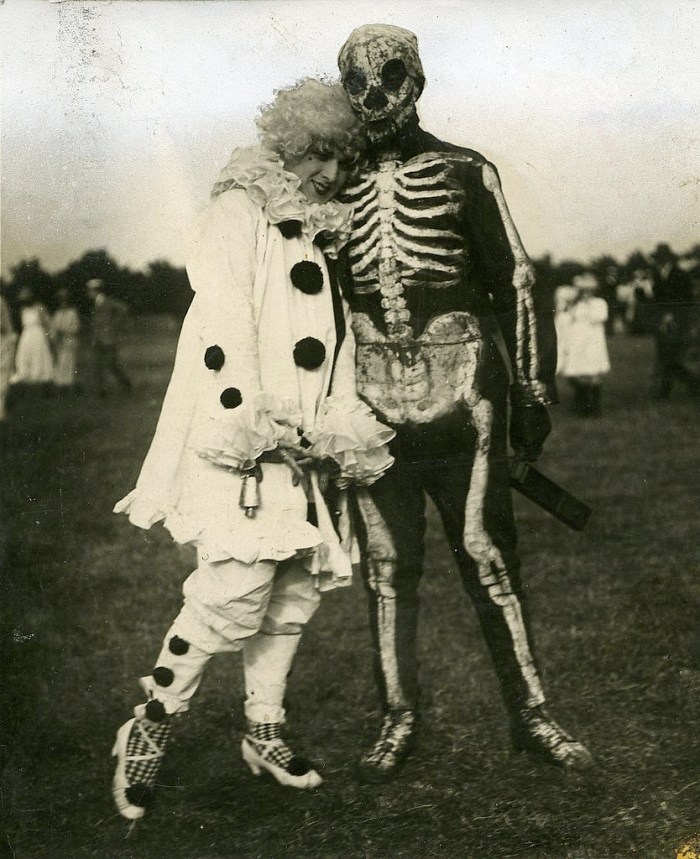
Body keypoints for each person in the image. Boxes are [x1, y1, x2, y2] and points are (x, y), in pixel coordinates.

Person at [110, 78, 395, 821]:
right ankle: (150, 725)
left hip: (305, 451)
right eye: (322, 155)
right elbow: (222, 325)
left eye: (345, 160)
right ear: (293, 143)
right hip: (245, 443)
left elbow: (328, 348)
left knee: (295, 592)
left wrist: (335, 423)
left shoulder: (317, 233)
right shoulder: (237, 210)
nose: (332, 174)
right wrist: (249, 420)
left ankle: (264, 730)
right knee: (233, 594)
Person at [336, 24, 593, 781]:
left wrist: (532, 390)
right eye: (356, 84)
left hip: (464, 405)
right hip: (371, 412)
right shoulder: (331, 184)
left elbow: (514, 279)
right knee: (387, 568)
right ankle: (398, 716)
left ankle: (533, 712)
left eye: (388, 79)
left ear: (416, 83)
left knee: (487, 557)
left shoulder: (462, 169)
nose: (373, 99)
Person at [556, 273, 610, 417]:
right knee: (578, 373)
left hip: (593, 341)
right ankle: (583, 404)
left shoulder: (599, 303)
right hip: (577, 341)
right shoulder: (575, 305)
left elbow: (600, 317)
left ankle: (594, 408)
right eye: (583, 290)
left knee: (593, 374)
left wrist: (588, 308)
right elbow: (566, 320)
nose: (586, 293)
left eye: (589, 290)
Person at [649, 243, 698, 398]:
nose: (658, 262)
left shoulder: (680, 275)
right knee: (664, 355)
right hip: (662, 321)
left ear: (667, 259)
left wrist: (672, 314)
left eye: (660, 258)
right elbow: (657, 299)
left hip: (679, 321)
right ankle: (672, 389)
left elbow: (687, 299)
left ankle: (689, 384)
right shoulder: (657, 275)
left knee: (670, 357)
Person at [87, 278, 132, 396]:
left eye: (90, 291)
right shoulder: (96, 303)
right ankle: (101, 392)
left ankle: (126, 385)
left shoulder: (107, 301)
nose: (88, 293)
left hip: (108, 339)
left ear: (95, 291)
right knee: (98, 366)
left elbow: (124, 309)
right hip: (99, 339)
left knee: (112, 364)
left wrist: (113, 325)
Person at [10, 287, 54, 391]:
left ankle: (42, 379)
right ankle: (26, 377)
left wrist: (49, 336)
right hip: (27, 333)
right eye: (23, 299)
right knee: (24, 354)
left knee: (39, 355)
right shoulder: (23, 310)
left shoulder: (39, 307)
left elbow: (47, 322)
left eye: (27, 298)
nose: (25, 301)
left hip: (38, 333)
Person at [50, 288, 81, 391]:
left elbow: (76, 327)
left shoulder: (73, 313)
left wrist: (64, 330)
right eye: (61, 300)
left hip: (70, 340)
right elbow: (53, 328)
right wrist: (54, 336)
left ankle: (69, 384)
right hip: (59, 341)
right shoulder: (57, 313)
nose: (63, 302)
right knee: (60, 362)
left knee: (69, 362)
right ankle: (60, 384)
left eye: (65, 300)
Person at [0, 294, 18, 422]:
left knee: (3, 376)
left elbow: (5, 324)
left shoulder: (0, 301)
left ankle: (0, 410)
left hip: (3, 341)